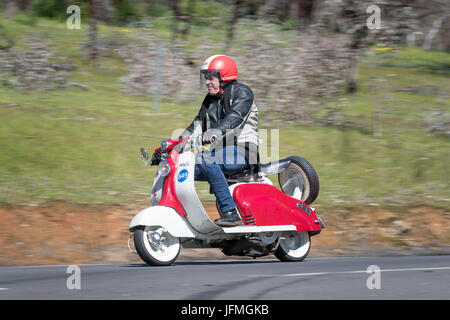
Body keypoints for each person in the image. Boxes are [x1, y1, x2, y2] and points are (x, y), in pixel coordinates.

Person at [179, 55, 259, 227]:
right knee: (179, 168)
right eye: (205, 78)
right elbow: (196, 125)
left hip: (242, 152)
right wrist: (176, 144)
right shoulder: (210, 100)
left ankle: (230, 212)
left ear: (224, 76)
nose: (207, 82)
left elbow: (235, 117)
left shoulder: (242, 93)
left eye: (211, 77)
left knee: (205, 158)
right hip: (218, 154)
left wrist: (216, 131)